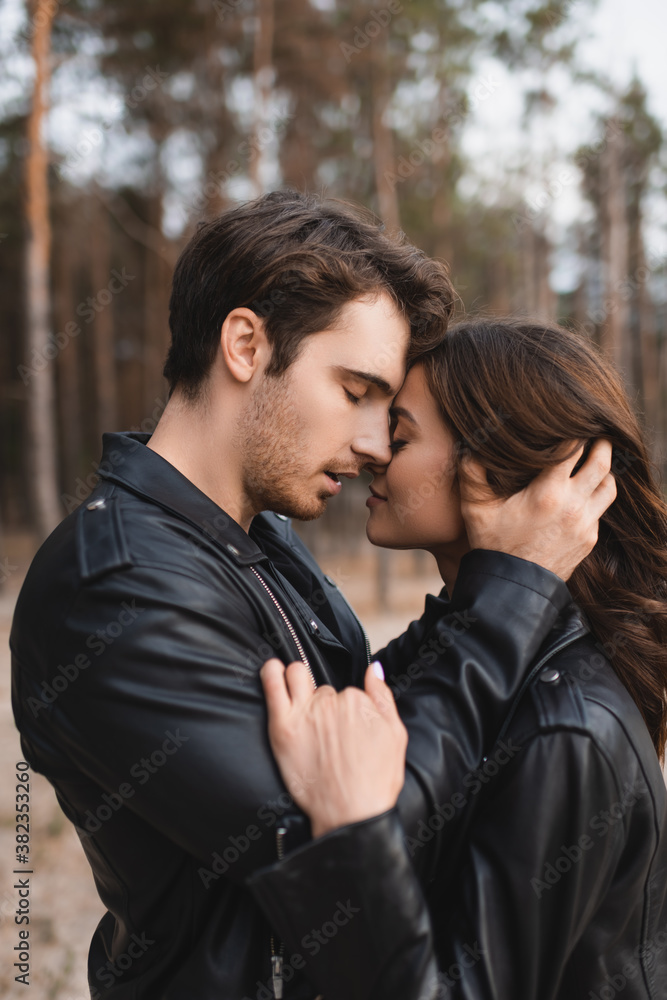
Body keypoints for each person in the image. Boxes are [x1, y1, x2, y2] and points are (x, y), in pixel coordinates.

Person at [11, 192, 613, 1000]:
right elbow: (358, 837)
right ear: (245, 344)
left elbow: (372, 715)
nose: (373, 445)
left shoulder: (259, 541)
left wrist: (483, 585)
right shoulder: (110, 584)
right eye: (355, 391)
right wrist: (512, 593)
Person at [251, 317, 667, 1000]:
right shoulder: (474, 650)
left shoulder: (567, 728)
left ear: (499, 467)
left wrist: (351, 843)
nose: (375, 450)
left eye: (403, 433)